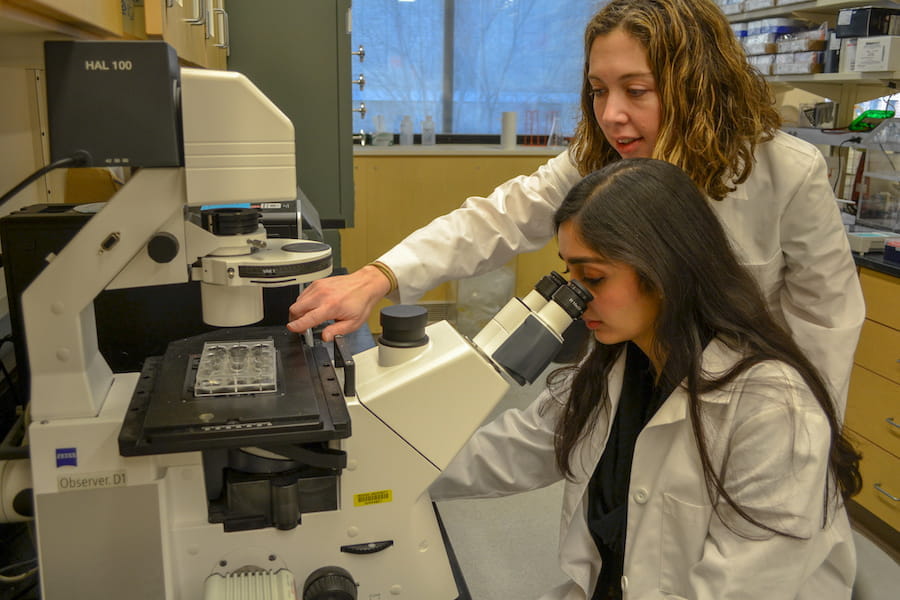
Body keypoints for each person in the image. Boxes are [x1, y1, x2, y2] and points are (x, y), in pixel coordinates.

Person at [288, 0, 864, 409]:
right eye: (598, 90)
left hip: (745, 406)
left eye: (636, 91)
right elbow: (498, 218)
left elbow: (826, 323)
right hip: (632, 384)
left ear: (697, 84)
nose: (611, 114)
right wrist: (377, 276)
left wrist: (806, 438)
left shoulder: (786, 172)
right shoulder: (600, 160)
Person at [430, 158, 862, 600]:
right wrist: (395, 467)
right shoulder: (619, 362)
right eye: (570, 274)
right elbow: (522, 446)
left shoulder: (772, 409)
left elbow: (737, 590)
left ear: (663, 270)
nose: (575, 299)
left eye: (593, 277)